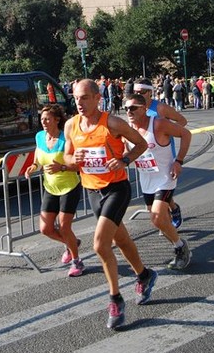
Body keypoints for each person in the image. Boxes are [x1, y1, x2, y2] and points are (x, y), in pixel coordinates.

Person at [63, 79, 157, 330]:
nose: (79, 103)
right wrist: (75, 158)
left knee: (99, 244)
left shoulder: (113, 123)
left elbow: (141, 143)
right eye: (76, 98)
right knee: (120, 239)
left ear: (97, 98)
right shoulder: (71, 125)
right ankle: (145, 275)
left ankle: (115, 300)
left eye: (84, 98)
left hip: (116, 188)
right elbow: (67, 157)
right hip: (92, 190)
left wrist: (124, 160)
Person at [124, 93, 192, 270]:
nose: (129, 112)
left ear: (145, 109)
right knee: (159, 221)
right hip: (147, 181)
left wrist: (179, 161)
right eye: (126, 108)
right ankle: (178, 242)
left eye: (133, 108)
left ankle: (180, 247)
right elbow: (128, 155)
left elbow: (186, 134)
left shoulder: (158, 124)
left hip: (165, 178)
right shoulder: (128, 131)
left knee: (156, 217)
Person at [25, 104, 84, 277]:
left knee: (64, 226)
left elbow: (77, 165)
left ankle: (77, 261)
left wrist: (62, 167)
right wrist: (33, 166)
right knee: (45, 228)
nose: (43, 122)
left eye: (47, 119)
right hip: (50, 187)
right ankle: (72, 243)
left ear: (57, 120)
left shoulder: (66, 139)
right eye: (42, 119)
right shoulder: (40, 137)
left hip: (69, 187)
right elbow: (38, 157)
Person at [133, 78, 185, 229]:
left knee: (163, 187)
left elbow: (182, 121)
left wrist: (168, 132)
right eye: (135, 92)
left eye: (141, 92)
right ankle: (170, 215)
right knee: (158, 190)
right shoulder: (134, 108)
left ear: (150, 92)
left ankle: (171, 215)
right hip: (147, 157)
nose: (138, 95)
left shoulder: (160, 108)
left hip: (165, 153)